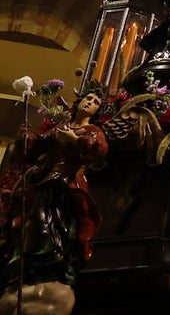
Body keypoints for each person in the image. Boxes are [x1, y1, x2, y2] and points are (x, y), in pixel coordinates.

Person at [0, 88, 109, 290]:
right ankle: (25, 256)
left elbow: (98, 150)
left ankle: (49, 253)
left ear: (97, 111)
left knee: (44, 218)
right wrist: (27, 139)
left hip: (66, 181)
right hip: (43, 177)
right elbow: (40, 145)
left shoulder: (93, 131)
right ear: (79, 101)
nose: (90, 102)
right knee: (28, 212)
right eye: (88, 98)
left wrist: (75, 140)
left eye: (95, 102)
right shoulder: (62, 126)